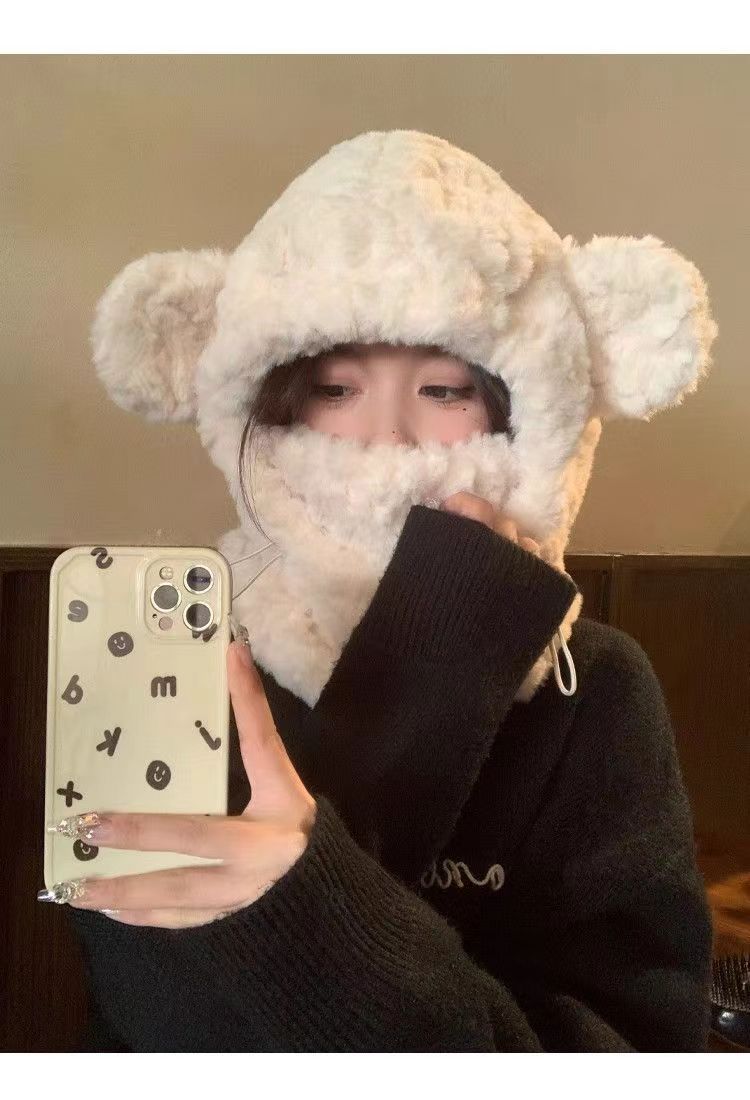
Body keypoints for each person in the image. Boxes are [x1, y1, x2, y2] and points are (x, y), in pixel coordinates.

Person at [49, 129, 717, 1051]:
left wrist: (311, 912)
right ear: (257, 406)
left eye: (445, 391)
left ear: (533, 415)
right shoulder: (175, 667)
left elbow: (637, 1049)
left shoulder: (595, 690)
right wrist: (429, 665)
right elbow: (156, 1032)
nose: (386, 438)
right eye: (333, 389)